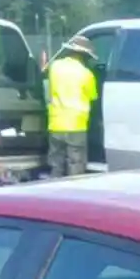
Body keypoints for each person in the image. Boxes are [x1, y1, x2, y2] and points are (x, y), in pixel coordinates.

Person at [46, 35, 99, 178]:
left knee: (56, 164)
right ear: (84, 55)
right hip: (76, 125)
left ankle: (53, 193)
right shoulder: (86, 74)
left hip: (55, 124)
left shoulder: (55, 67)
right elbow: (93, 97)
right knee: (75, 165)